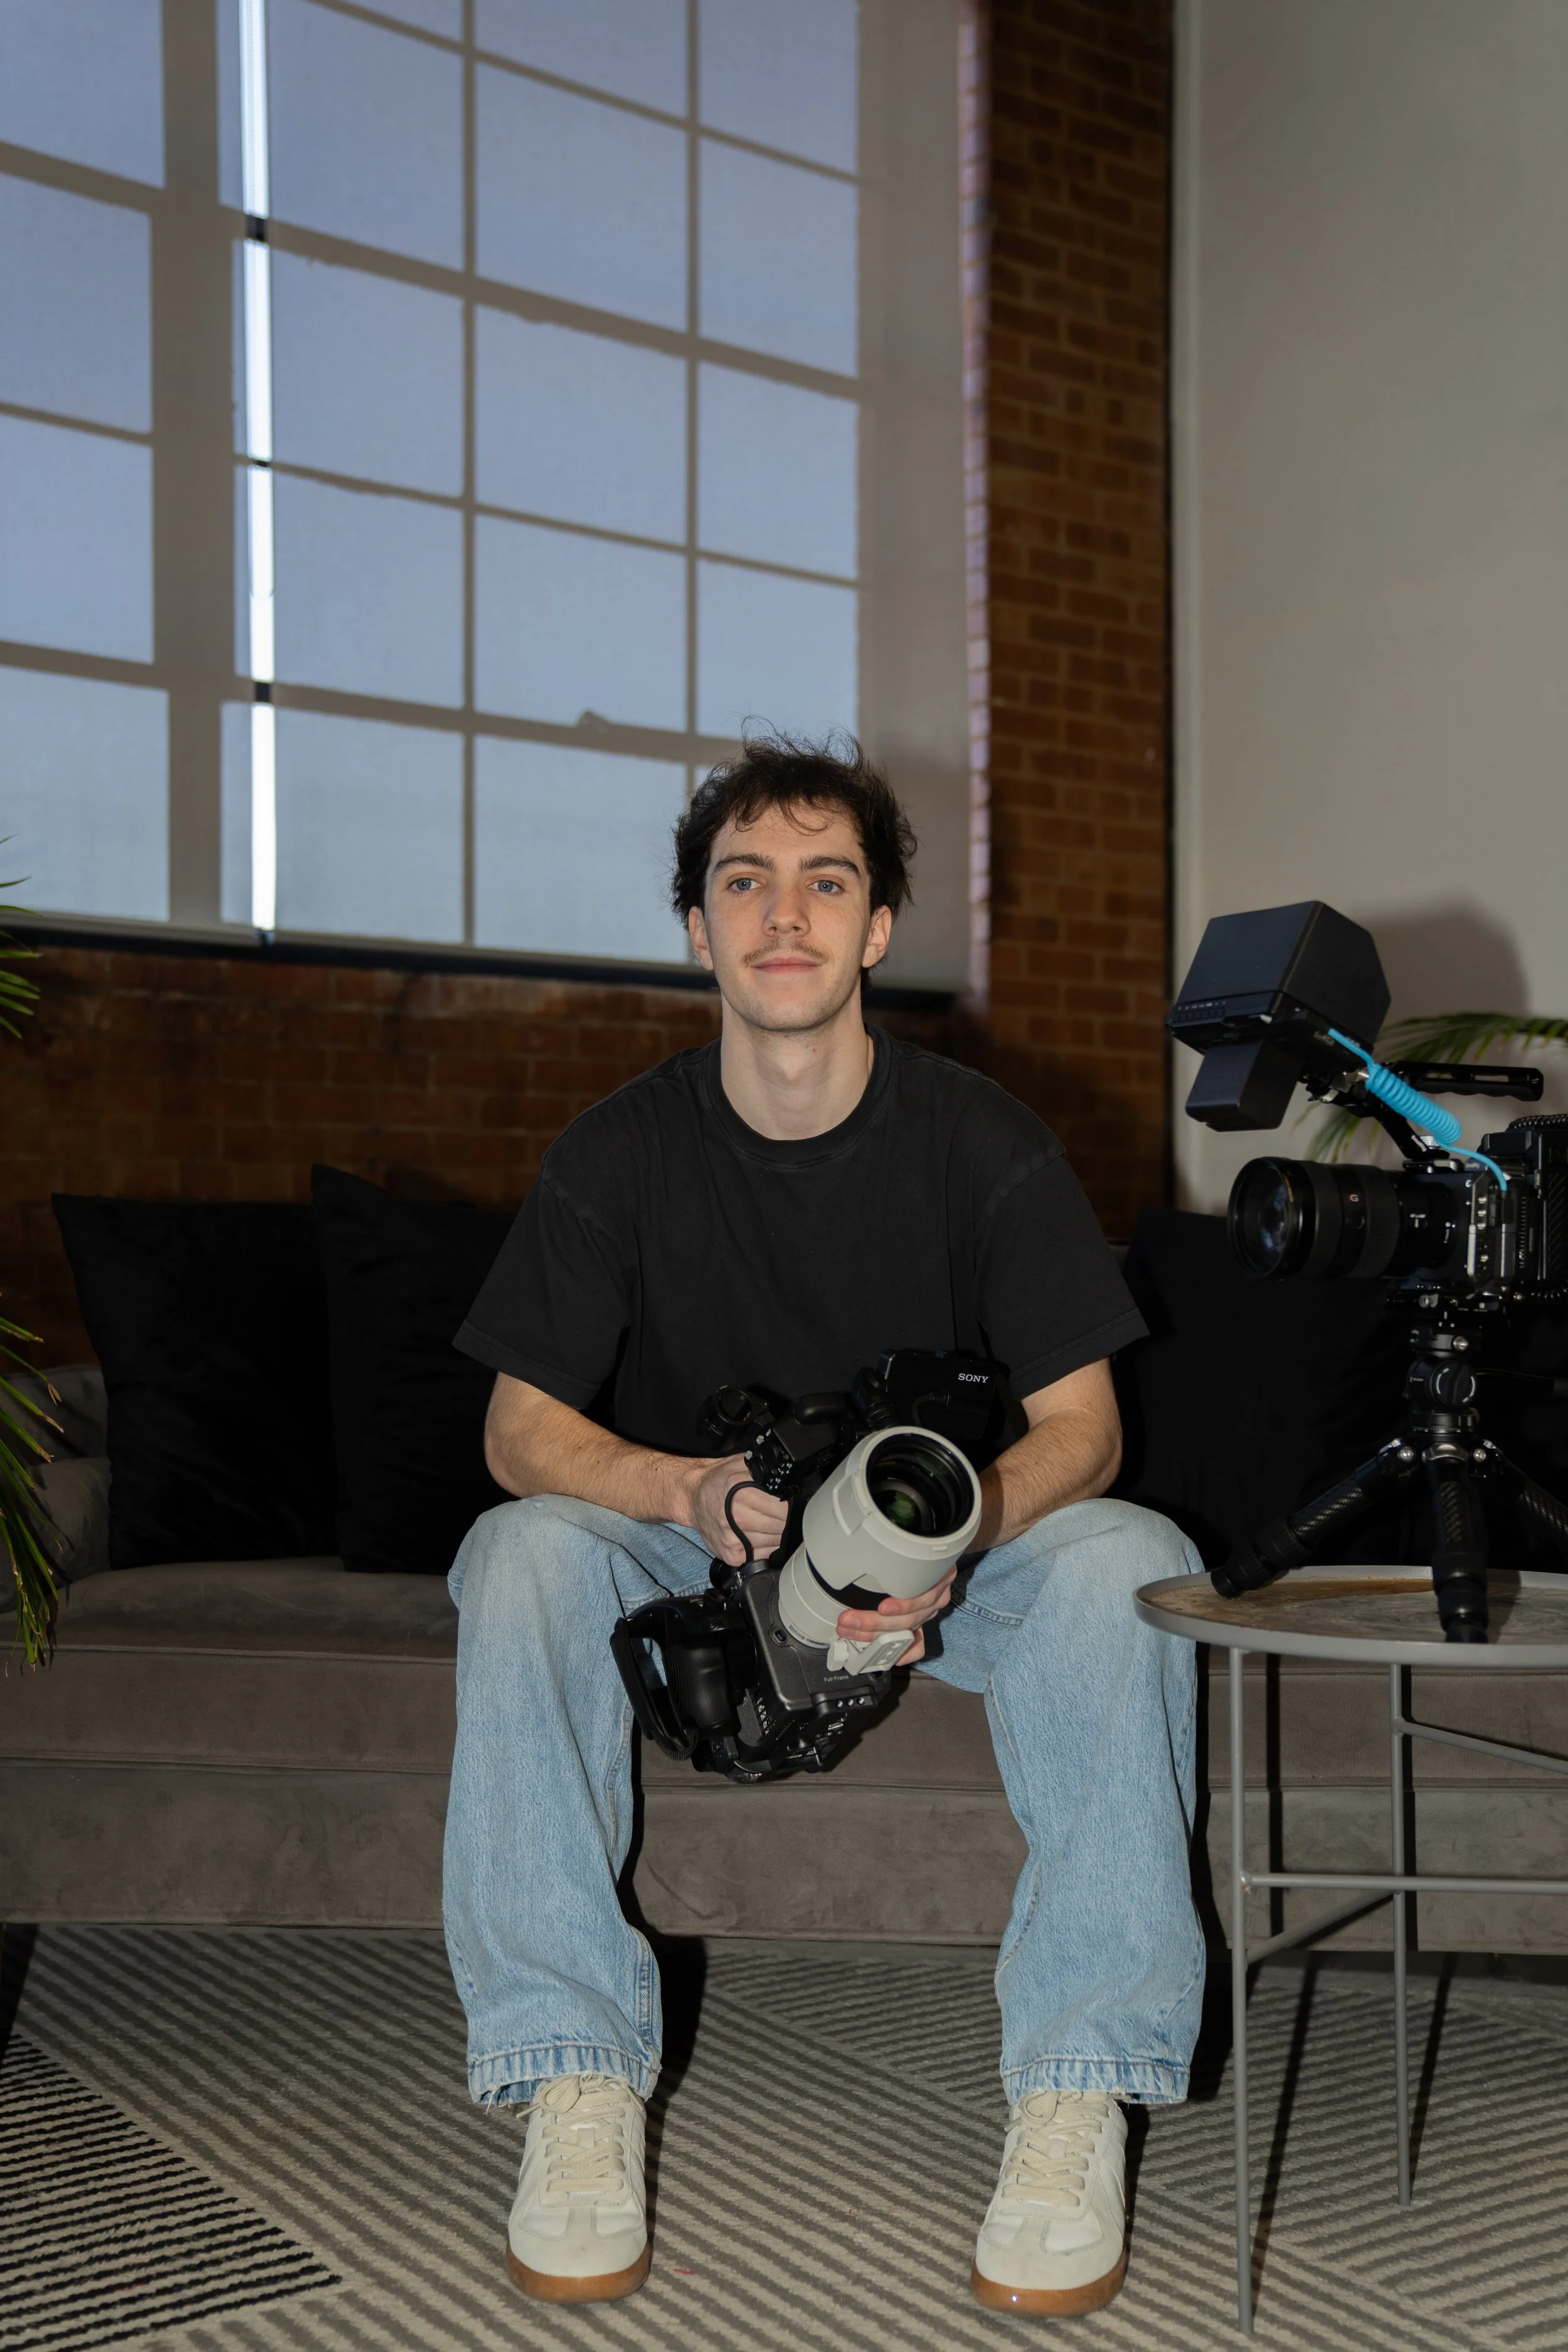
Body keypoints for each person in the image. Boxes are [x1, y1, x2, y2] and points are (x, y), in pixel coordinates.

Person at [445, 739, 1204, 2318]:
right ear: (698, 928)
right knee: (517, 1551)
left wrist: (957, 1525)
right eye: (744, 881)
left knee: (1130, 1557)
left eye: (825, 882)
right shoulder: (617, 1152)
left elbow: (1087, 1426)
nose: (782, 915)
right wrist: (680, 1489)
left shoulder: (981, 1139)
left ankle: (1075, 2086)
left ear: (874, 932)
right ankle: (575, 2076)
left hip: (958, 1541)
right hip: (696, 1536)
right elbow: (519, 1433)